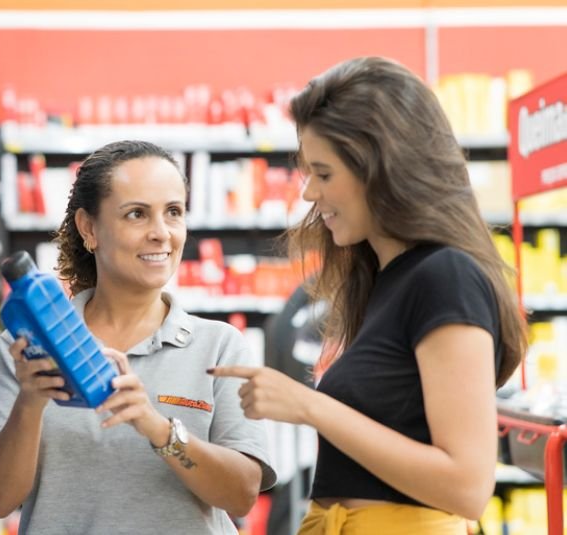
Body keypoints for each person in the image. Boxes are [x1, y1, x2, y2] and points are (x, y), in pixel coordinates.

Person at [210, 56, 527, 535]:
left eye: (324, 174)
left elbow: (467, 486)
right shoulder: (384, 281)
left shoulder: (445, 277)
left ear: (381, 168)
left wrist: (309, 406)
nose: (309, 194)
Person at [0, 140, 277, 534]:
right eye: (137, 214)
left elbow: (242, 495)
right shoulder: (29, 350)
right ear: (89, 228)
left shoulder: (220, 346)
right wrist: (30, 404)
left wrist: (156, 427)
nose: (161, 233)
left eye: (174, 212)